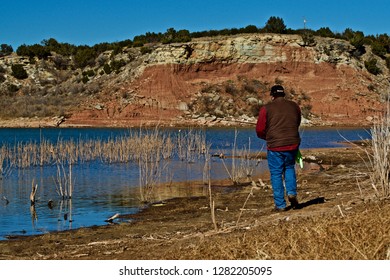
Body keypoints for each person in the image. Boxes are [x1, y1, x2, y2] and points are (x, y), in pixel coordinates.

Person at [256, 85, 301, 211]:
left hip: (275, 146)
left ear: (272, 95)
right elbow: (297, 122)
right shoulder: (294, 106)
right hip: (292, 143)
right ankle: (291, 193)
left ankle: (280, 205)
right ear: (284, 94)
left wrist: (268, 137)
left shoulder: (266, 108)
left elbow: (259, 130)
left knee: (276, 174)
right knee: (289, 168)